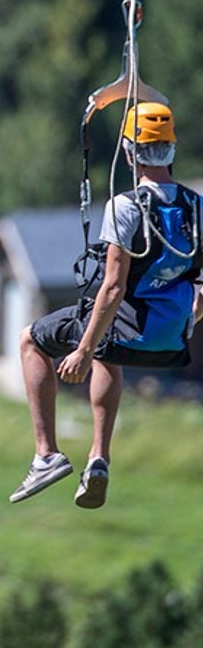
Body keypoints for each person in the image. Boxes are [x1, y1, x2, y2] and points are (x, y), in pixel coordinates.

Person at [11, 102, 202, 509]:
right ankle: (99, 457)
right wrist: (189, 319)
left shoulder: (126, 206)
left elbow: (113, 288)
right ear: (172, 149)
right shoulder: (197, 208)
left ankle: (46, 455)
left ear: (129, 153)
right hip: (169, 338)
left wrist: (81, 350)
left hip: (125, 326)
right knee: (107, 352)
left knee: (32, 340)